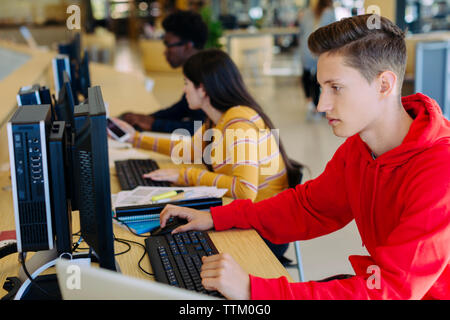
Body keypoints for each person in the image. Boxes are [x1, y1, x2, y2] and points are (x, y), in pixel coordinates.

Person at [156, 14, 450, 300]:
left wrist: (252, 291)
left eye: (336, 88)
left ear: (384, 85)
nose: (322, 104)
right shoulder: (360, 146)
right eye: (322, 88)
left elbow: (393, 290)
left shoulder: (440, 170)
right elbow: (309, 207)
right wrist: (216, 217)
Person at [113, 49, 303, 264]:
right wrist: (134, 138)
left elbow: (244, 191)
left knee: (176, 246)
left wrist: (189, 176)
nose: (184, 90)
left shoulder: (238, 124)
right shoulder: (219, 119)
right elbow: (189, 150)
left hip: (265, 231)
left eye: (186, 83)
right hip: (246, 216)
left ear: (202, 88)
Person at [120, 10, 208, 135]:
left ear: (188, 46)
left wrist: (153, 123)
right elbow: (181, 108)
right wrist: (147, 118)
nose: (165, 52)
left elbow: (199, 128)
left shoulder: (205, 75)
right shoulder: (198, 68)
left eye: (168, 45)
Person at [298, 0, 336, 121]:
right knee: (317, 78)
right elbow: (334, 35)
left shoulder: (306, 12)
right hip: (319, 49)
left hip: (305, 48)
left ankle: (310, 102)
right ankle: (317, 106)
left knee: (306, 75)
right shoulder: (330, 13)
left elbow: (301, 31)